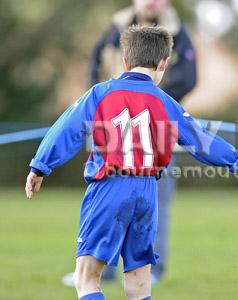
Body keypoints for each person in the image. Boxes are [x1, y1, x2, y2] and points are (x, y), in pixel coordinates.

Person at [25, 25, 238, 300]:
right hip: (146, 193)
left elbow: (66, 129)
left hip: (109, 188)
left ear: (124, 61)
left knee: (86, 279)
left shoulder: (100, 93)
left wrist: (40, 165)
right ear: (164, 63)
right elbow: (203, 142)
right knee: (138, 284)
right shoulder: (167, 103)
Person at [62, 0, 197, 286]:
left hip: (157, 133)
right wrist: (105, 102)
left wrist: (146, 100)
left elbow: (188, 79)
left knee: (155, 199)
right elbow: (95, 64)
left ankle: (152, 269)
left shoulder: (178, 32)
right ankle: (102, 266)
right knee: (104, 194)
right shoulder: (116, 27)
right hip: (112, 129)